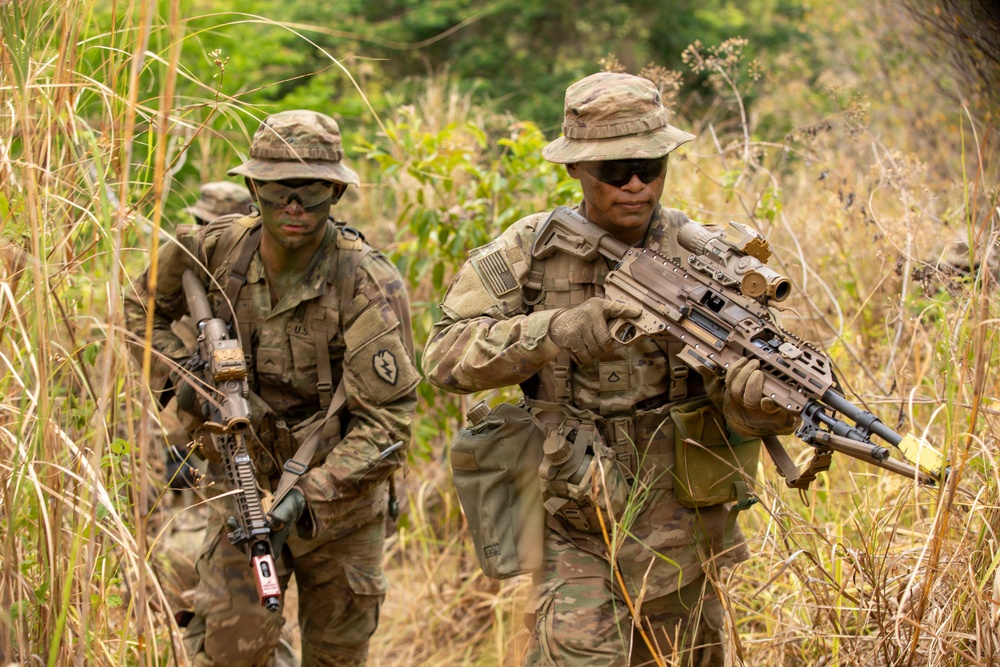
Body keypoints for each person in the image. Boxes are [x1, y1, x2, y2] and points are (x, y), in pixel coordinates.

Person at [423, 72, 798, 666]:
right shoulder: (530, 250)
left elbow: (747, 388)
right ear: (574, 168)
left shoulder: (704, 256)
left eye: (650, 167)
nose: (635, 185)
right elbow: (443, 356)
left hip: (686, 523)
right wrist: (552, 332)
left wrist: (756, 406)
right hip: (574, 516)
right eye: (614, 169)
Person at [126, 109, 420, 666]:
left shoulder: (366, 281)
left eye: (310, 190)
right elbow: (136, 312)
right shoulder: (210, 249)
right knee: (233, 650)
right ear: (253, 187)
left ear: (334, 192)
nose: (293, 206)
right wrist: (185, 378)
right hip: (240, 489)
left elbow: (389, 422)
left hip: (341, 508)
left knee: (336, 657)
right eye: (280, 188)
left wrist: (309, 496)